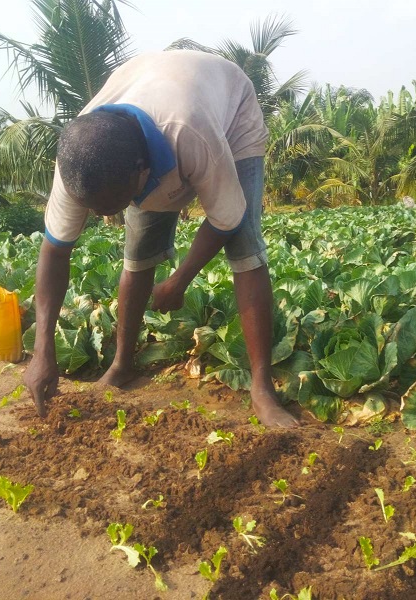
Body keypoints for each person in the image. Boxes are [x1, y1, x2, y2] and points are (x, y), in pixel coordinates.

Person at [22, 50, 300, 428]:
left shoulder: (190, 130)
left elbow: (226, 220)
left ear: (142, 170)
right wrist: (42, 351)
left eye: (118, 204)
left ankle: (262, 387)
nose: (109, 216)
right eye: (100, 210)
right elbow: (54, 251)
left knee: (245, 248)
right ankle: (122, 364)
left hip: (229, 117)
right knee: (136, 256)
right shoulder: (81, 156)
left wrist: (179, 280)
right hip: (152, 113)